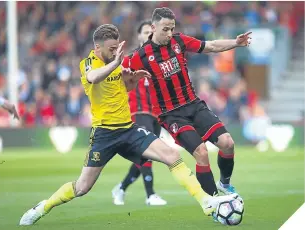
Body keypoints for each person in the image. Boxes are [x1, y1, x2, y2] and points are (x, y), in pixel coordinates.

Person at [19, 24, 237, 226]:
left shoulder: (117, 62)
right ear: (98, 47)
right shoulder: (88, 63)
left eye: (117, 48)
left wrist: (132, 79)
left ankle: (206, 202)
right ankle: (43, 207)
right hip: (104, 134)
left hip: (128, 129)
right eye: (111, 49)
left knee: (172, 155)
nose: (115, 52)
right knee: (82, 187)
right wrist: (115, 64)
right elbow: (94, 78)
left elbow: (125, 89)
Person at [126, 7, 252, 196]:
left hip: (193, 104)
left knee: (227, 143)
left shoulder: (179, 41)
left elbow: (210, 46)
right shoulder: (140, 56)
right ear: (153, 27)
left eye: (172, 28)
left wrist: (235, 42)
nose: (169, 33)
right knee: (201, 152)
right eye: (165, 29)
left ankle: (224, 184)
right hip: (171, 114)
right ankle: (214, 202)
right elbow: (119, 77)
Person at [111, 20, 167, 206]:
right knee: (147, 150)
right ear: (139, 36)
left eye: (151, 32)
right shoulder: (130, 59)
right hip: (138, 111)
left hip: (156, 114)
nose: (149, 35)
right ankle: (150, 195)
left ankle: (121, 187)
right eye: (145, 32)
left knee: (146, 155)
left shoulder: (160, 59)